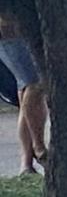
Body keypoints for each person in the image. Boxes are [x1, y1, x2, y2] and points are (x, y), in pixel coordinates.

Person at [1, 20, 47, 175]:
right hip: (10, 30)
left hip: (18, 31)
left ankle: (26, 163)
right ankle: (39, 148)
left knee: (25, 87)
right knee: (36, 84)